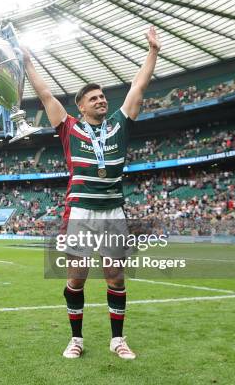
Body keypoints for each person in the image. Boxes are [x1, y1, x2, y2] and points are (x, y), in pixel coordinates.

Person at [23, 26, 161, 360]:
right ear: (81, 106)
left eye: (102, 97)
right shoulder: (69, 127)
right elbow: (45, 95)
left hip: (113, 210)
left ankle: (118, 340)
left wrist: (153, 52)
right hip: (81, 211)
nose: (101, 100)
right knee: (77, 277)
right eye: (93, 98)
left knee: (115, 276)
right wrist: (28, 64)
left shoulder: (119, 123)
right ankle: (76, 339)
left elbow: (138, 87)